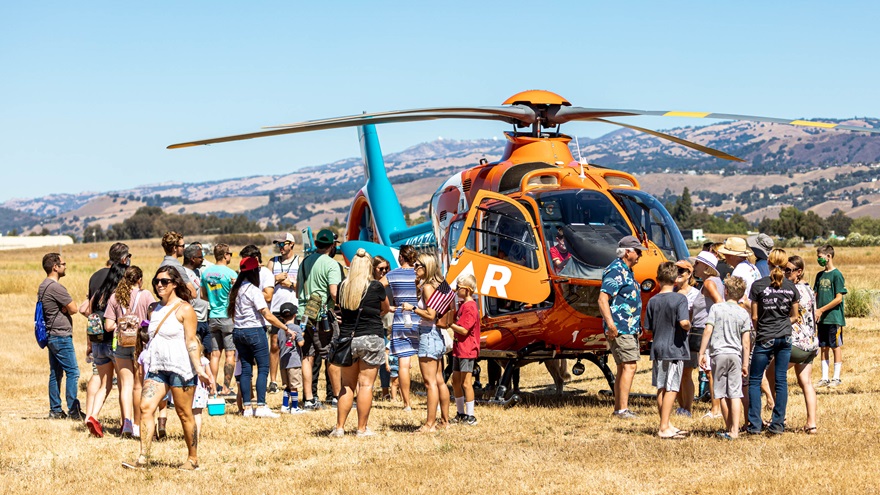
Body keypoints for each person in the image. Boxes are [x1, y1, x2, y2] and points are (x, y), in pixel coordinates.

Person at [122, 266, 211, 471]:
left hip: (180, 368)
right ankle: (143, 458)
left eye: (164, 281)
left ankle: (193, 458)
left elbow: (192, 340)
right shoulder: (155, 308)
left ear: (175, 284)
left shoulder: (185, 309)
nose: (159, 285)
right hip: (158, 367)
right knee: (146, 407)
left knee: (184, 413)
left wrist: (199, 368)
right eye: (156, 281)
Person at [330, 249, 390, 437]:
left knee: (347, 385)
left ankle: (339, 427)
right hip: (371, 337)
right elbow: (386, 309)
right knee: (365, 385)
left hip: (348, 339)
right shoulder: (375, 287)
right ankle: (361, 429)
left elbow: (340, 309)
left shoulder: (342, 287)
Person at [746, 248, 799, 435]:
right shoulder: (791, 287)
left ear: (767, 262)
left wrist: (761, 329)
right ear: (786, 266)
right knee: (781, 380)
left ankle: (754, 424)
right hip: (784, 337)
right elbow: (794, 316)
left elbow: (754, 317)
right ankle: (777, 424)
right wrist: (782, 323)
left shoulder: (758, 286)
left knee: (754, 380)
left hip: (765, 336)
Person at [229, 256, 288, 418]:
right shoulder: (254, 290)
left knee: (247, 369)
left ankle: (247, 408)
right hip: (254, 331)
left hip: (238, 332)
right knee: (263, 368)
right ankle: (261, 406)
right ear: (254, 271)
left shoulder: (236, 289)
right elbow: (266, 314)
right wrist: (284, 327)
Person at [400, 253, 452, 433]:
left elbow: (431, 314)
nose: (414, 268)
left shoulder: (428, 287)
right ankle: (444, 421)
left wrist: (412, 308)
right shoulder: (436, 286)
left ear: (426, 267)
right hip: (436, 334)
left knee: (430, 383)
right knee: (439, 381)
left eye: (417, 265)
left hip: (428, 334)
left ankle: (430, 424)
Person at [598, 235, 647, 419]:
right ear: (628, 252)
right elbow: (603, 299)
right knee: (629, 366)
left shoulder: (626, 271)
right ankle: (622, 409)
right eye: (638, 252)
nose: (640, 256)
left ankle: (620, 408)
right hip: (620, 328)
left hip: (628, 328)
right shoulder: (616, 271)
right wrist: (611, 325)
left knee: (624, 366)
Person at [104, 266, 155, 438]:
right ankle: (137, 424)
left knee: (125, 385)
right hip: (140, 345)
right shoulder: (146, 295)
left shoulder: (115, 297)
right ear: (139, 279)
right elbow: (154, 318)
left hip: (121, 344)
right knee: (138, 386)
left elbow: (108, 326)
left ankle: (126, 422)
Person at [697, 276, 751, 440]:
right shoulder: (743, 313)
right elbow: (746, 341)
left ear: (726, 291)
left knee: (721, 393)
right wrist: (745, 363)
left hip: (718, 354)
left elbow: (707, 330)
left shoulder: (716, 308)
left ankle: (729, 428)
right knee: (735, 393)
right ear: (742, 295)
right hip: (735, 355)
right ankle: (734, 430)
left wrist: (701, 352)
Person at [296, 229, 343, 410]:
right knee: (330, 355)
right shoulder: (332, 265)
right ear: (332, 245)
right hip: (322, 315)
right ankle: (337, 397)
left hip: (303, 314)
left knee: (307, 356)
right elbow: (333, 292)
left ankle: (309, 399)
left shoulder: (304, 262)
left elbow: (297, 289)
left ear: (316, 245)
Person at [645, 262, 692, 439]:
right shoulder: (680, 299)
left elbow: (648, 329)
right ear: (675, 279)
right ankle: (663, 427)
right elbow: (683, 322)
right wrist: (689, 325)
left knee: (661, 387)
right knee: (672, 387)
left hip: (657, 348)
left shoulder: (652, 300)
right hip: (674, 349)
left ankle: (667, 423)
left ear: (657, 279)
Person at [81, 260, 127, 437]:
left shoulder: (99, 292)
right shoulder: (117, 295)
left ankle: (92, 416)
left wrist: (89, 344)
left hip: (98, 342)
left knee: (105, 383)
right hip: (114, 342)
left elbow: (87, 311)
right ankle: (125, 423)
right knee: (124, 384)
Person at [39, 253, 84, 420]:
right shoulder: (56, 287)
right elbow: (74, 309)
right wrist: (65, 308)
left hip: (51, 334)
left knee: (55, 373)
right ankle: (74, 410)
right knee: (73, 372)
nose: (65, 266)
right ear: (55, 267)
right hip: (61, 335)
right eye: (63, 264)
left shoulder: (43, 285)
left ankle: (56, 410)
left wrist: (64, 308)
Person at [786, 255, 819, 433]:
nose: (785, 273)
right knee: (806, 382)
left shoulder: (793, 291)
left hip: (797, 343)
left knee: (770, 375)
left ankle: (778, 417)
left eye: (789, 270)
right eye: (784, 269)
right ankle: (811, 423)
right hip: (812, 343)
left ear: (799, 272)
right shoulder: (808, 288)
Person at [385, 245, 420, 411]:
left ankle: (407, 403)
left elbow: (376, 287)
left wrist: (387, 306)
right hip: (420, 317)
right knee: (429, 362)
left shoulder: (392, 274)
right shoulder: (418, 273)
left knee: (403, 365)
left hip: (400, 319)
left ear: (401, 258)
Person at [691, 251, 725, 419]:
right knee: (711, 370)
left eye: (697, 264)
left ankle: (715, 408)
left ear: (706, 267)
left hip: (709, 332)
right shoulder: (713, 281)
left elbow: (719, 303)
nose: (694, 267)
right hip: (709, 330)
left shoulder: (710, 283)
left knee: (710, 370)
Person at [201, 243, 237, 395]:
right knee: (230, 354)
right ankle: (226, 387)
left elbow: (203, 295)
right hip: (227, 316)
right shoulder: (231, 274)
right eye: (230, 254)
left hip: (213, 316)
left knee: (215, 354)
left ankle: (212, 387)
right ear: (225, 255)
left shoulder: (206, 273)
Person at [267, 233, 300, 393]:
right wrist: (276, 279)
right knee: (274, 345)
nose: (280, 247)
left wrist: (291, 284)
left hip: (294, 309)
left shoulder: (299, 261)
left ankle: (293, 380)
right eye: (278, 244)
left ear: (291, 244)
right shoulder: (272, 263)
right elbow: (264, 284)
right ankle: (273, 381)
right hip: (275, 309)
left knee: (294, 344)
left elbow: (303, 286)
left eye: (283, 244)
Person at [814, 245, 846, 387]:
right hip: (822, 319)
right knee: (823, 346)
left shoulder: (837, 275)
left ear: (829, 256)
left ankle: (836, 377)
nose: (818, 259)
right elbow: (815, 294)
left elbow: (839, 298)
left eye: (820, 256)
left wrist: (822, 309)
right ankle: (824, 377)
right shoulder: (819, 275)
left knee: (835, 346)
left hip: (833, 317)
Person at [449, 274, 480, 426]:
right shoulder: (462, 305)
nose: (456, 290)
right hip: (458, 348)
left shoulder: (470, 307)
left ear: (467, 290)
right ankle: (460, 413)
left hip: (467, 349)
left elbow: (464, 330)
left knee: (466, 382)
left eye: (458, 288)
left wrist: (449, 324)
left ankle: (471, 415)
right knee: (455, 381)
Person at [672, 259, 699, 418]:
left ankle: (687, 408)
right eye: (675, 270)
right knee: (675, 374)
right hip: (673, 339)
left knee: (686, 374)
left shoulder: (695, 294)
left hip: (688, 339)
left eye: (681, 271)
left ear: (689, 274)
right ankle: (680, 406)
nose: (678, 274)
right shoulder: (671, 292)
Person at [277, 302, 305, 414]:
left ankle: (284, 406)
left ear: (281, 317)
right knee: (294, 386)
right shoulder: (296, 328)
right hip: (294, 361)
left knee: (287, 385)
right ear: (295, 315)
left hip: (283, 361)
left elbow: (279, 344)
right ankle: (294, 407)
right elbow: (301, 343)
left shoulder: (280, 330)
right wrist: (301, 335)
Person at [183, 244, 211, 355]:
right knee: (195, 353)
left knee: (208, 351)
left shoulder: (198, 272)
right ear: (192, 259)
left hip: (204, 319)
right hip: (194, 321)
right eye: (200, 257)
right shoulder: (183, 274)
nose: (202, 260)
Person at [372, 255, 393, 399]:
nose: (384, 271)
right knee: (377, 359)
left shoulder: (390, 283)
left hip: (389, 325)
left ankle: (387, 391)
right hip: (375, 324)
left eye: (387, 268)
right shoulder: (371, 284)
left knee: (388, 360)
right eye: (381, 268)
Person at [159, 231, 198, 299]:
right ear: (175, 248)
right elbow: (193, 293)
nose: (184, 248)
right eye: (182, 246)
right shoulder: (177, 267)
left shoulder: (162, 265)